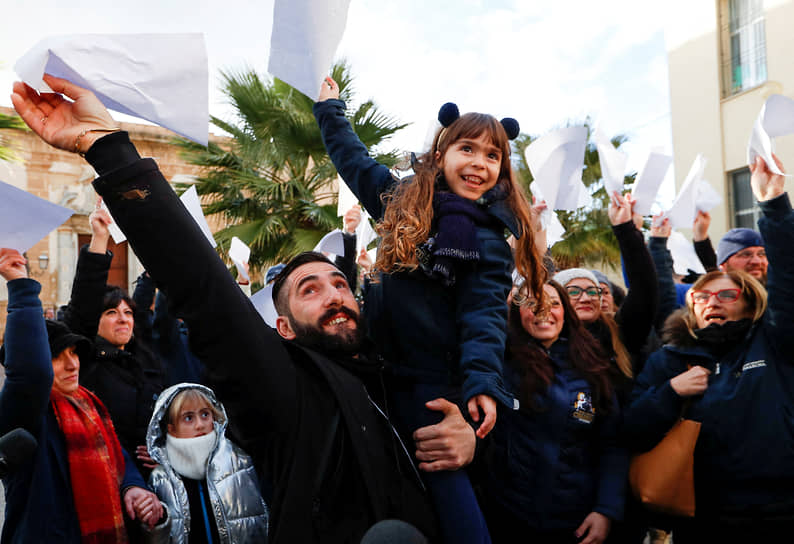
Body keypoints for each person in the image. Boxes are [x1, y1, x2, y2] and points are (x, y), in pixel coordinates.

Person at [12, 74, 477, 544]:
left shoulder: (395, 376)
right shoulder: (286, 385)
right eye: (309, 290)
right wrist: (108, 148)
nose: (335, 294)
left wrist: (468, 438)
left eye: (339, 283)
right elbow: (202, 288)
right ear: (283, 327)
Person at [314, 76, 545, 544]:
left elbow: (483, 319)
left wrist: (482, 382)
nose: (479, 163)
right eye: (468, 149)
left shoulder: (491, 242)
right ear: (441, 154)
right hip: (372, 376)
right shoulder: (400, 202)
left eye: (493, 155)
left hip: (433, 389)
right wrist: (330, 110)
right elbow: (354, 161)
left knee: (453, 503)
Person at [623, 154, 794, 542]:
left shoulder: (775, 341)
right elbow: (630, 430)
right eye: (701, 296)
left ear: (749, 304)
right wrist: (670, 394)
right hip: (703, 519)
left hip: (783, 510)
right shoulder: (670, 359)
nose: (712, 302)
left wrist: (774, 206)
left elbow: (788, 283)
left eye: (727, 294)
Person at [0, 248, 162, 543]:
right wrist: (20, 286)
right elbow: (30, 372)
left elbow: (118, 459)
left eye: (74, 353)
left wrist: (133, 487)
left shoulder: (90, 404)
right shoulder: (26, 411)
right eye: (57, 356)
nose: (73, 364)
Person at [476, 280, 627, 544]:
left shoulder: (593, 366)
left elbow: (612, 445)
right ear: (515, 312)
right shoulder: (498, 363)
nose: (544, 310)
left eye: (554, 303)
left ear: (565, 312)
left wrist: (605, 509)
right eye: (532, 303)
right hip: (507, 516)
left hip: (575, 522)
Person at [62, 207, 167, 476]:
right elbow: (84, 302)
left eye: (128, 313)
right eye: (111, 312)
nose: (123, 319)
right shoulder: (86, 362)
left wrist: (168, 451)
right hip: (106, 476)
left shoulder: (145, 359)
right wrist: (99, 238)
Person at [140, 383, 269, 543]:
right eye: (188, 418)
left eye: (205, 415)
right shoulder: (160, 477)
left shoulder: (238, 460)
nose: (200, 424)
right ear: (172, 429)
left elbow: (261, 520)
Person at [692, 209, 768, 285]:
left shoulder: (777, 291)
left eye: (761, 254)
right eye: (746, 255)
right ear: (723, 265)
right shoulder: (718, 294)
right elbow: (709, 266)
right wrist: (700, 234)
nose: (757, 261)